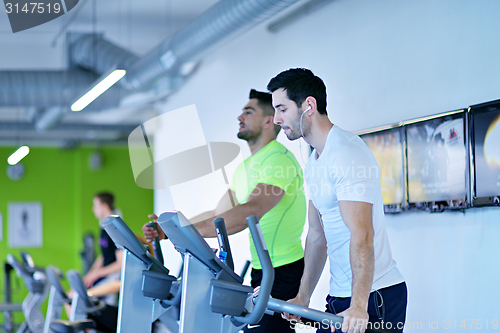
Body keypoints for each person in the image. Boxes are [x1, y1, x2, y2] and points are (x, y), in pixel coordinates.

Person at [143, 89, 307, 332]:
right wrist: (171, 230)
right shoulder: (246, 167)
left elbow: (251, 211)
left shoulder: (277, 160)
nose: (240, 117)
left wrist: (188, 233)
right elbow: (218, 212)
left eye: (248, 112)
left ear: (268, 120)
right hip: (262, 268)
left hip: (283, 268)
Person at [267, 68, 407, 333]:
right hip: (343, 295)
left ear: (309, 105)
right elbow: (317, 236)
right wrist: (303, 296)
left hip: (375, 296)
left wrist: (358, 305)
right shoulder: (315, 161)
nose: (276, 119)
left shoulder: (345, 152)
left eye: (282, 109)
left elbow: (362, 234)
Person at [82, 192, 123, 306]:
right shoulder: (104, 228)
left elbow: (121, 264)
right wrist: (91, 273)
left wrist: (97, 273)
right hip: (104, 274)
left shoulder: (115, 229)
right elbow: (104, 255)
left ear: (104, 206)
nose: (93, 209)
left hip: (113, 277)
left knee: (76, 298)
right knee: (72, 295)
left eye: (95, 205)